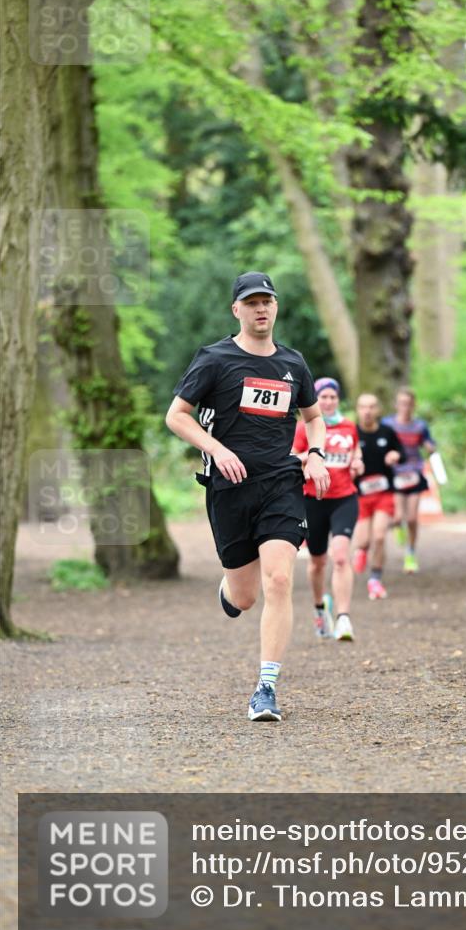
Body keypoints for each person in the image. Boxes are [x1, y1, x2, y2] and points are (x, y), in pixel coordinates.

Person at [165, 271, 330, 722]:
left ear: (276, 308)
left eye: (268, 302)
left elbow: (314, 417)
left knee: (279, 579)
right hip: (229, 489)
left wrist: (315, 454)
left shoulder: (294, 364)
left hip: (281, 483)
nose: (261, 309)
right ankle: (230, 589)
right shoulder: (215, 359)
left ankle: (266, 688)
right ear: (237, 309)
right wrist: (215, 449)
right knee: (245, 597)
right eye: (252, 302)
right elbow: (177, 416)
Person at [292, 377, 363, 641]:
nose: (329, 401)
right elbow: (291, 456)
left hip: (344, 498)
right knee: (318, 562)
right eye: (324, 397)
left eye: (333, 397)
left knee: (342, 556)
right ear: (316, 400)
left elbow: (356, 455)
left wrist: (358, 464)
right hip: (313, 500)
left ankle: (344, 618)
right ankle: (320, 609)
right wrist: (311, 456)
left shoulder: (349, 427)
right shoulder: (305, 428)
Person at [352, 393, 405, 599]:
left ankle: (375, 579)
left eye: (372, 407)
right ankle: (362, 550)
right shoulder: (353, 433)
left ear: (378, 410)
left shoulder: (388, 432)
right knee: (363, 540)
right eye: (363, 407)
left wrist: (395, 455)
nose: (367, 411)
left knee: (380, 536)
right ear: (357, 409)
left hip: (384, 493)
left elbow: (400, 452)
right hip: (360, 494)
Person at [383, 387, 437, 574]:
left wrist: (431, 448)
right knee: (398, 517)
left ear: (413, 405)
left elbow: (429, 444)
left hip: (414, 472)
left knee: (412, 518)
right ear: (396, 405)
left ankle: (411, 553)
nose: (405, 407)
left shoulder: (420, 426)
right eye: (401, 403)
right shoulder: (388, 424)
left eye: (408, 403)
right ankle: (399, 528)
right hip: (395, 473)